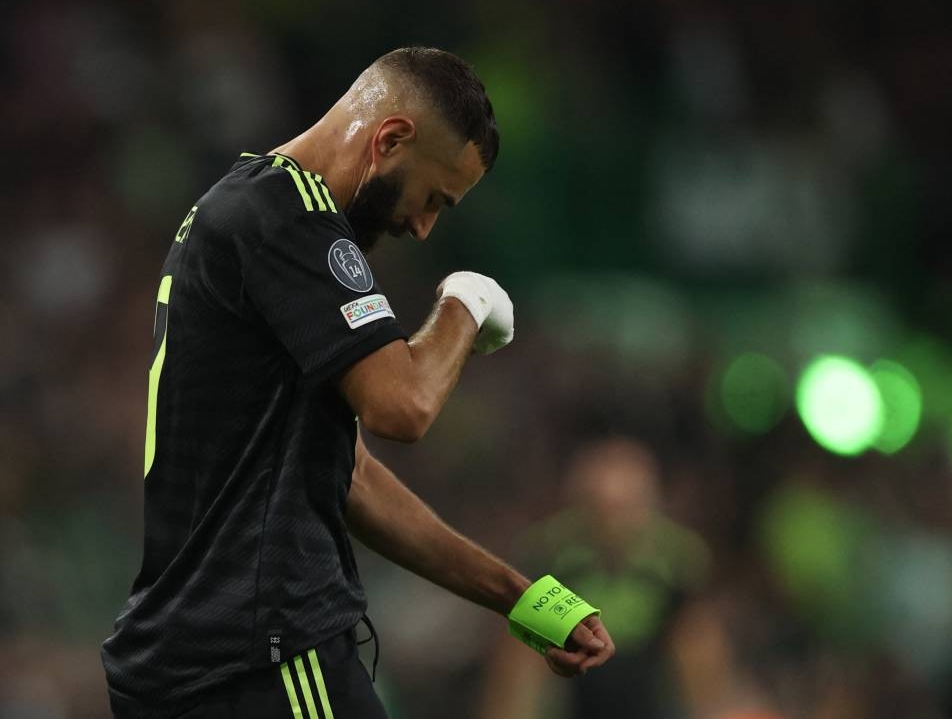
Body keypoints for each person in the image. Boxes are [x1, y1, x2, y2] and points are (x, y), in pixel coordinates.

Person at [101, 47, 614, 719]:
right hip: (261, 656)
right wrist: (467, 299)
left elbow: (354, 479)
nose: (423, 227)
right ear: (391, 139)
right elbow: (403, 406)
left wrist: (525, 600)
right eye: (433, 199)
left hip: (200, 660)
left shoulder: (245, 207)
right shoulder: (290, 217)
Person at [479, 436, 707, 719]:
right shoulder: (551, 556)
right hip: (576, 698)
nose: (614, 524)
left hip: (651, 698)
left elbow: (696, 651)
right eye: (601, 508)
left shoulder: (676, 559)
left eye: (625, 508)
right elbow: (520, 662)